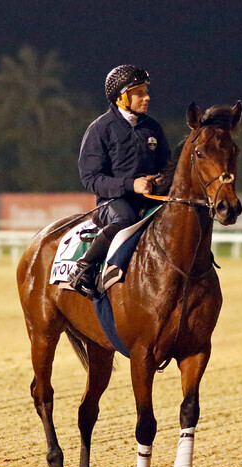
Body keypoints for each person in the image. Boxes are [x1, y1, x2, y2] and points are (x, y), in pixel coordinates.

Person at [66, 64, 171, 298]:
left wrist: (162, 179)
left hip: (151, 198)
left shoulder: (153, 127)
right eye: (139, 93)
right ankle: (84, 268)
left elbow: (167, 167)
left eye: (146, 91)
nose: (147, 97)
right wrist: (131, 185)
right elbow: (91, 178)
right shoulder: (100, 129)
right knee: (126, 218)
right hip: (112, 203)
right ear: (121, 97)